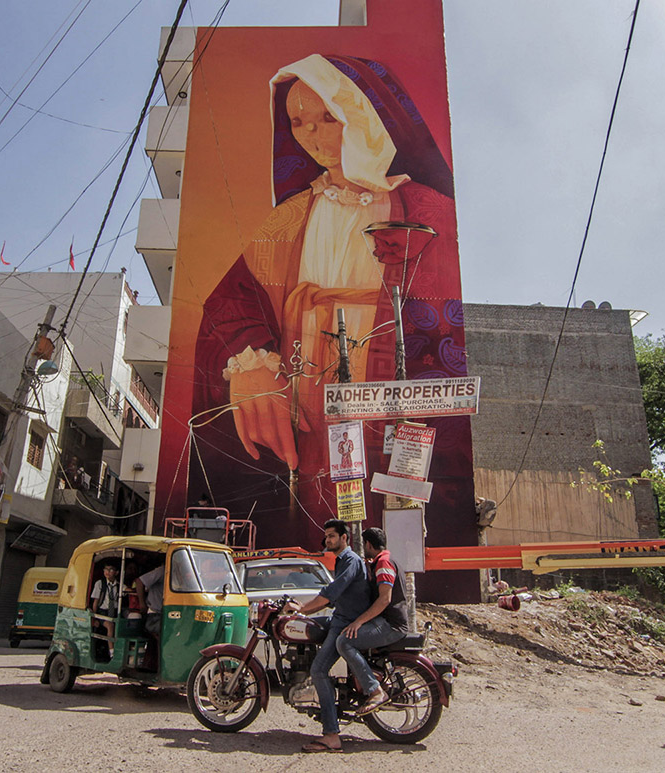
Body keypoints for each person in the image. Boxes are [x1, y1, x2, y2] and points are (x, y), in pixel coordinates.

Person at [192, 53, 467, 546]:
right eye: (298, 123)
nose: (315, 138)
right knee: (316, 483)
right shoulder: (289, 218)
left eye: (327, 119)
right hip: (308, 382)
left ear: (364, 114)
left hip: (383, 378)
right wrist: (251, 363)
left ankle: (393, 571)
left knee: (394, 489)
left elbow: (446, 323)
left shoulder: (430, 212)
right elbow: (231, 303)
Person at [284, 519, 371, 753]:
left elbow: (331, 592)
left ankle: (331, 735)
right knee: (308, 626)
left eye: (332, 536)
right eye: (327, 536)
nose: (328, 540)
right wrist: (304, 613)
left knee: (319, 670)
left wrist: (301, 609)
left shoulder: (350, 560)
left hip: (345, 622)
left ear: (345, 538)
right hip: (340, 617)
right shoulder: (342, 561)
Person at [336, 527, 409, 716]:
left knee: (344, 641)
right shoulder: (384, 560)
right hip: (388, 621)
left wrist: (358, 622)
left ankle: (375, 691)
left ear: (368, 544)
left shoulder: (384, 563)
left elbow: (384, 599)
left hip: (391, 624)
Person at [91, 560, 121, 651]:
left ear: (116, 572)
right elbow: (96, 602)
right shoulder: (100, 583)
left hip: (114, 613)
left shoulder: (119, 585)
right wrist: (94, 618)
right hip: (102, 613)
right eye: (106, 570)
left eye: (111, 570)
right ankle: (111, 650)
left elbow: (127, 589)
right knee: (110, 625)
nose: (108, 572)